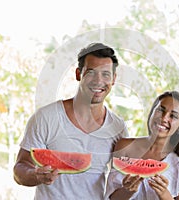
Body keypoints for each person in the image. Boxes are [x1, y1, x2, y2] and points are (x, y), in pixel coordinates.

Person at [13, 42, 128, 199]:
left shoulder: (118, 128)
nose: (98, 80)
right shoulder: (46, 117)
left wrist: (132, 187)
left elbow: (119, 186)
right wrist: (36, 175)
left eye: (106, 74)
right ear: (78, 74)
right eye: (91, 72)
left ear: (113, 79)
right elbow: (19, 169)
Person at [105, 91, 179, 200]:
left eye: (173, 116)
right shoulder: (124, 146)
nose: (164, 118)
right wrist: (127, 191)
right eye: (161, 110)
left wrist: (165, 196)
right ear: (152, 112)